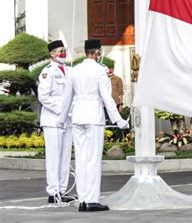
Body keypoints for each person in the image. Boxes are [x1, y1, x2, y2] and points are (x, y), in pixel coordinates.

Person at [59, 39, 129, 212]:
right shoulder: (100, 70)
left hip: (77, 116)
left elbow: (67, 97)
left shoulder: (74, 70)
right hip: (93, 116)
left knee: (81, 159)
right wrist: (119, 120)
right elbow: (107, 98)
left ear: (85, 52)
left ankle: (83, 200)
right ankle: (91, 200)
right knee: (93, 160)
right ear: (97, 52)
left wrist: (61, 119)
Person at [37, 40, 75, 204]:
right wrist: (63, 109)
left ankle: (62, 190)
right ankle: (53, 192)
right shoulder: (48, 72)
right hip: (53, 120)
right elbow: (44, 97)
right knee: (54, 157)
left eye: (64, 50)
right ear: (52, 54)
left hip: (67, 119)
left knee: (65, 156)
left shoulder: (69, 70)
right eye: (60, 51)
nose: (63, 53)